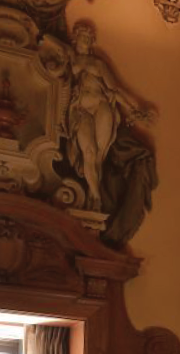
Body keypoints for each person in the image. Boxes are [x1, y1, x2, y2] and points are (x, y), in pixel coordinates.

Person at [64, 20, 154, 211]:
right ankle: (96, 194)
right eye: (83, 35)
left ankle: (93, 198)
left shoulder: (98, 64)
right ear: (75, 38)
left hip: (102, 107)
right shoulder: (67, 58)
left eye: (89, 37)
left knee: (99, 156)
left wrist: (133, 109)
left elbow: (115, 90)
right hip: (81, 110)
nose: (86, 39)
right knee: (88, 152)